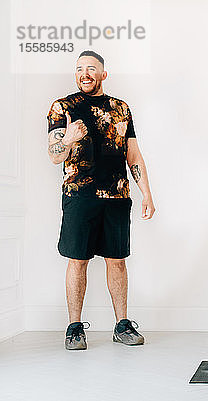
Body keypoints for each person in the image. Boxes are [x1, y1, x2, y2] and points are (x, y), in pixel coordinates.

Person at [47, 50, 155, 350]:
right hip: (79, 196)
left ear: (103, 74)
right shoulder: (63, 107)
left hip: (117, 196)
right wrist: (68, 139)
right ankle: (74, 328)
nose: (85, 73)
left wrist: (146, 192)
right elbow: (54, 155)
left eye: (91, 68)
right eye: (80, 68)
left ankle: (122, 325)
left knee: (117, 261)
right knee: (77, 260)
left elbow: (133, 154)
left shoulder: (121, 109)